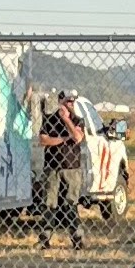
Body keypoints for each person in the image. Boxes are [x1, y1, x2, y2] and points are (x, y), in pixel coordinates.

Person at [37, 87, 87, 250]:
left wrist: (67, 121)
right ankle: (45, 238)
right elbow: (44, 140)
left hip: (72, 168)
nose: (70, 104)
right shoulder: (49, 119)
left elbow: (78, 137)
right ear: (60, 102)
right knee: (49, 203)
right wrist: (65, 138)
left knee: (70, 204)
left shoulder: (78, 120)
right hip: (52, 167)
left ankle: (77, 238)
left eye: (72, 101)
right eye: (67, 101)